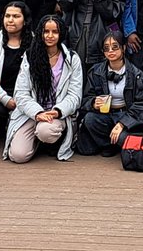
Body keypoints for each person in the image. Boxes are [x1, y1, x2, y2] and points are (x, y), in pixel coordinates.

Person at [5, 15, 84, 163]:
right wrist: (37, 113)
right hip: (32, 113)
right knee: (18, 156)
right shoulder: (30, 56)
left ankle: (49, 139)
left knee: (46, 132)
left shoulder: (72, 58)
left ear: (61, 34)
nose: (50, 36)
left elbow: (75, 96)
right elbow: (21, 94)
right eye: (46, 31)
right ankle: (36, 142)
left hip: (56, 114)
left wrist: (58, 111)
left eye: (55, 32)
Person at [75, 31, 143, 156]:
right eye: (106, 48)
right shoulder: (96, 71)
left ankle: (118, 143)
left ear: (123, 48)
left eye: (115, 47)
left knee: (123, 138)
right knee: (90, 119)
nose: (110, 51)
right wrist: (93, 103)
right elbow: (85, 98)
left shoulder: (137, 75)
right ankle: (108, 145)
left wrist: (123, 123)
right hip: (106, 115)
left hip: (127, 115)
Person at [0, 1, 32, 137]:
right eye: (7, 16)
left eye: (16, 16)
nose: (10, 20)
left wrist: (22, 101)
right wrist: (6, 100)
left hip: (26, 98)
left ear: (25, 20)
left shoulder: (35, 44)